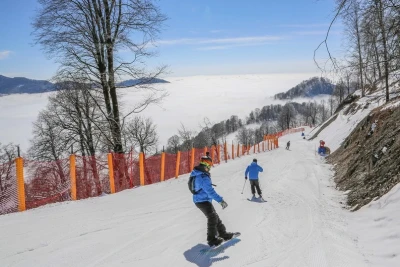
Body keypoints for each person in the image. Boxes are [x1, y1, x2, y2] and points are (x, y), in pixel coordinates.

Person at [191, 155, 235, 247]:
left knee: (215, 216)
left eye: (210, 164)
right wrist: (220, 200)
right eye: (209, 164)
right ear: (205, 164)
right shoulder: (202, 176)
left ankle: (223, 233)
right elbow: (210, 191)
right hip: (202, 200)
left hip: (202, 199)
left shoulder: (198, 173)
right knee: (212, 217)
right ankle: (212, 240)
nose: (210, 167)